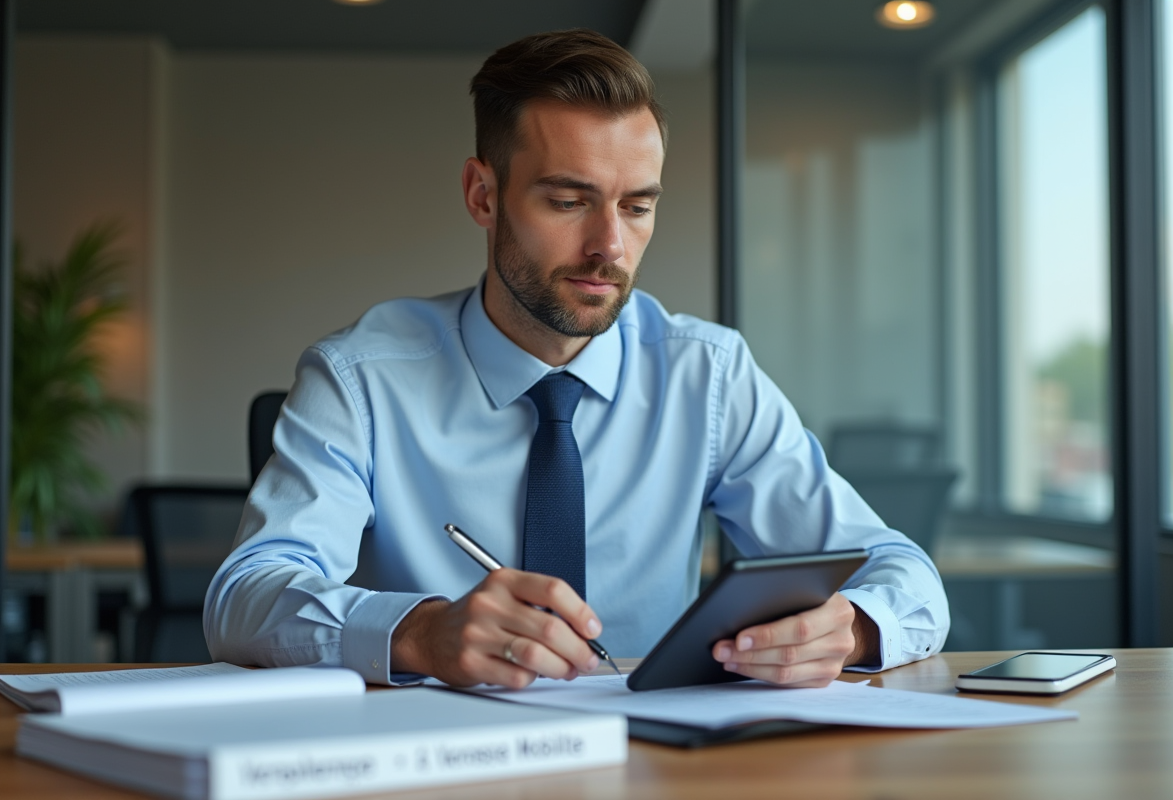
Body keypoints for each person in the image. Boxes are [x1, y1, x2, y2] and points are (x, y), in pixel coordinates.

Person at [204, 29, 949, 689]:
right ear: (482, 195)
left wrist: (851, 627)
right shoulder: (360, 378)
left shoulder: (707, 375)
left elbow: (905, 573)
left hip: (656, 762)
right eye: (568, 201)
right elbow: (245, 597)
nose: (610, 248)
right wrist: (421, 633)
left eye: (637, 206)